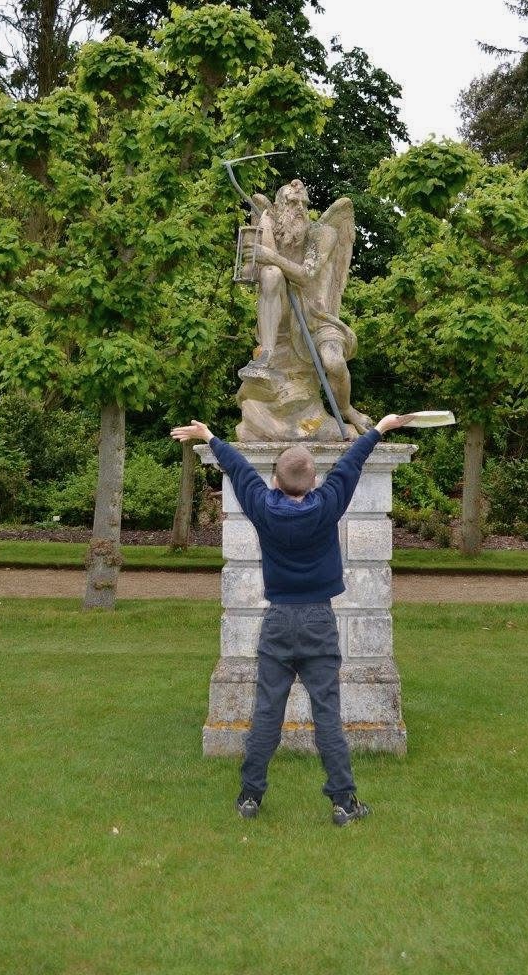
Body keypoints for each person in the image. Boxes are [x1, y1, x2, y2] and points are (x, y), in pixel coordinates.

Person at [170, 412, 412, 825]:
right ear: (314, 481)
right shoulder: (327, 505)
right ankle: (343, 803)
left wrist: (210, 436)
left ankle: (249, 798)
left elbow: (240, 470)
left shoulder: (264, 507)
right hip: (319, 622)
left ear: (277, 482)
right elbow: (351, 464)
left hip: (279, 622)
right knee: (327, 715)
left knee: (267, 713)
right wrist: (379, 429)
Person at [240, 179, 372, 434]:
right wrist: (265, 224)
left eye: (304, 203)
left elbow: (306, 275)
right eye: (292, 202)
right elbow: (256, 269)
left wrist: (271, 257)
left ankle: (345, 409)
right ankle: (266, 355)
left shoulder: (323, 234)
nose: (299, 207)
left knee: (334, 363)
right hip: (283, 316)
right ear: (279, 206)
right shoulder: (270, 227)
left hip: (318, 317)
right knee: (270, 274)